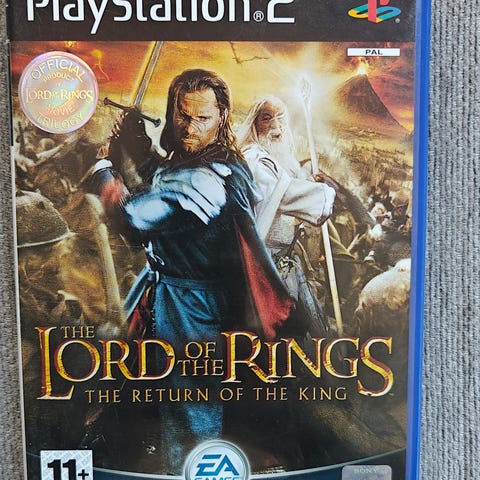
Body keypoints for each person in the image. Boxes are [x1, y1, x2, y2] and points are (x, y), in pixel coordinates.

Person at [89, 70, 294, 473]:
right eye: (182, 115)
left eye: (202, 118)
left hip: (193, 304)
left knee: (190, 401)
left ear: (221, 117)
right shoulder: (200, 161)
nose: (189, 127)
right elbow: (166, 176)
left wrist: (103, 169)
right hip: (169, 293)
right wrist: (138, 145)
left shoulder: (213, 176)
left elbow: (134, 220)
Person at [237, 95, 336, 335]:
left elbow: (287, 182)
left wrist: (310, 182)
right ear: (254, 124)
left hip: (284, 260)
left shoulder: (276, 159)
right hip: (261, 263)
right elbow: (283, 194)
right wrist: (323, 194)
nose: (275, 126)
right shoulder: (254, 159)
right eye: (267, 118)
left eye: (280, 118)